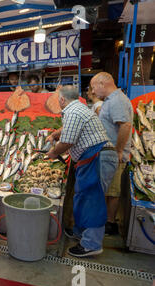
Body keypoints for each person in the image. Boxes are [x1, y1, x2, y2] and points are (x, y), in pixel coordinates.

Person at [46, 85, 118, 258]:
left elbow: (68, 141)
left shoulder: (73, 112)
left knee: (93, 201)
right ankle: (81, 234)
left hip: (98, 158)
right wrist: (56, 134)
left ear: (62, 99)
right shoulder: (78, 108)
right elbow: (69, 130)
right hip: (91, 159)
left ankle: (91, 245)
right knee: (83, 197)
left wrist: (53, 153)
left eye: (58, 99)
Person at [90, 72, 133, 236]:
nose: (93, 91)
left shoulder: (117, 100)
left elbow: (125, 125)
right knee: (107, 190)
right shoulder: (110, 101)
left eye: (94, 87)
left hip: (113, 156)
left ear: (102, 83)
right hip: (108, 154)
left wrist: (119, 151)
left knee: (112, 191)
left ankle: (109, 223)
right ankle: (106, 221)